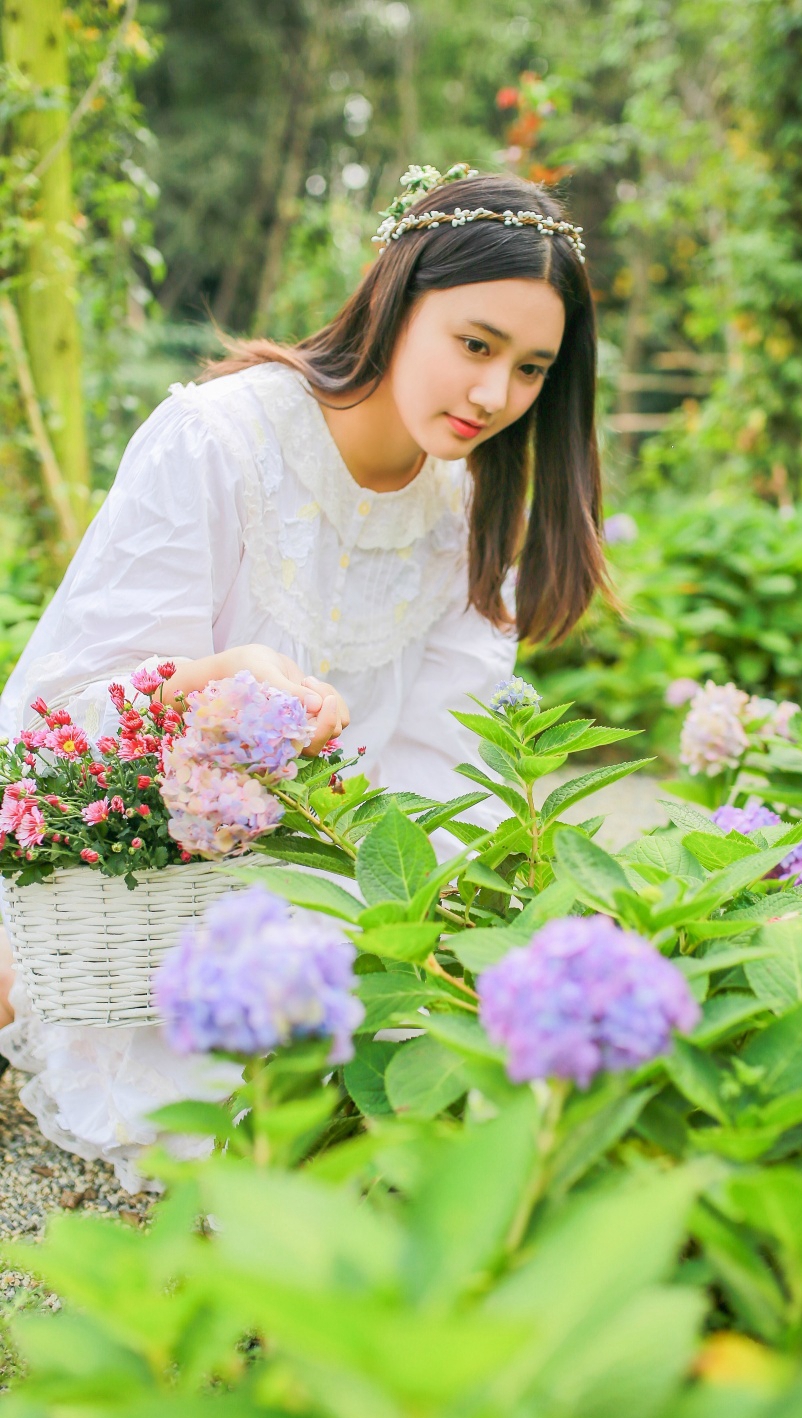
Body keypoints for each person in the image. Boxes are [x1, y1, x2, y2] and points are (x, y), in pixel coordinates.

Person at [0, 165, 606, 1187]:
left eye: (533, 368)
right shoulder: (220, 438)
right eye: (475, 344)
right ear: (398, 292)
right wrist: (224, 676)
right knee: (204, 1120)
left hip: (317, 920)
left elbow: (437, 775)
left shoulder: (472, 513)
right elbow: (58, 721)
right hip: (137, 887)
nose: (495, 395)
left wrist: (420, 946)